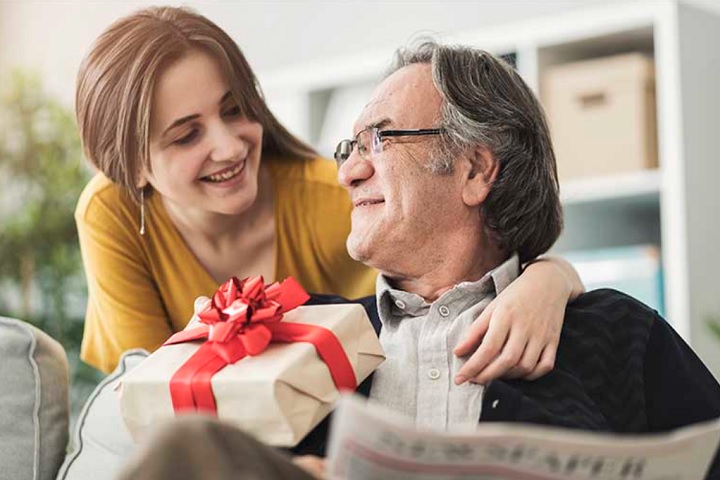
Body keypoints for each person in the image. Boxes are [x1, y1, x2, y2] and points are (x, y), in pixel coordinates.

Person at [117, 40, 720, 480]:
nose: (349, 171)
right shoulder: (305, 332)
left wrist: (553, 277)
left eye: (380, 139)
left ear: (475, 170)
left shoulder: (617, 333)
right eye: (349, 148)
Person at [74, 6, 584, 379]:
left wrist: (549, 277)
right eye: (187, 135)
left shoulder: (335, 195)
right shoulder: (111, 213)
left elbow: (477, 255)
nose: (229, 146)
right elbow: (144, 392)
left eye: (234, 110)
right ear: (133, 166)